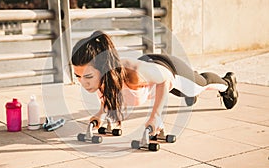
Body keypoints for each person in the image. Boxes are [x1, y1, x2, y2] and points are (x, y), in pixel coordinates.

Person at [71, 30, 238, 135]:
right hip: (151, 72)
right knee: (182, 91)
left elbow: (165, 80)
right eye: (77, 76)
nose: (82, 83)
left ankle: (227, 83)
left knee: (197, 86)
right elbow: (109, 93)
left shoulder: (133, 76)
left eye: (87, 77)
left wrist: (155, 116)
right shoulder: (104, 77)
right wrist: (101, 113)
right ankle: (186, 93)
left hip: (168, 70)